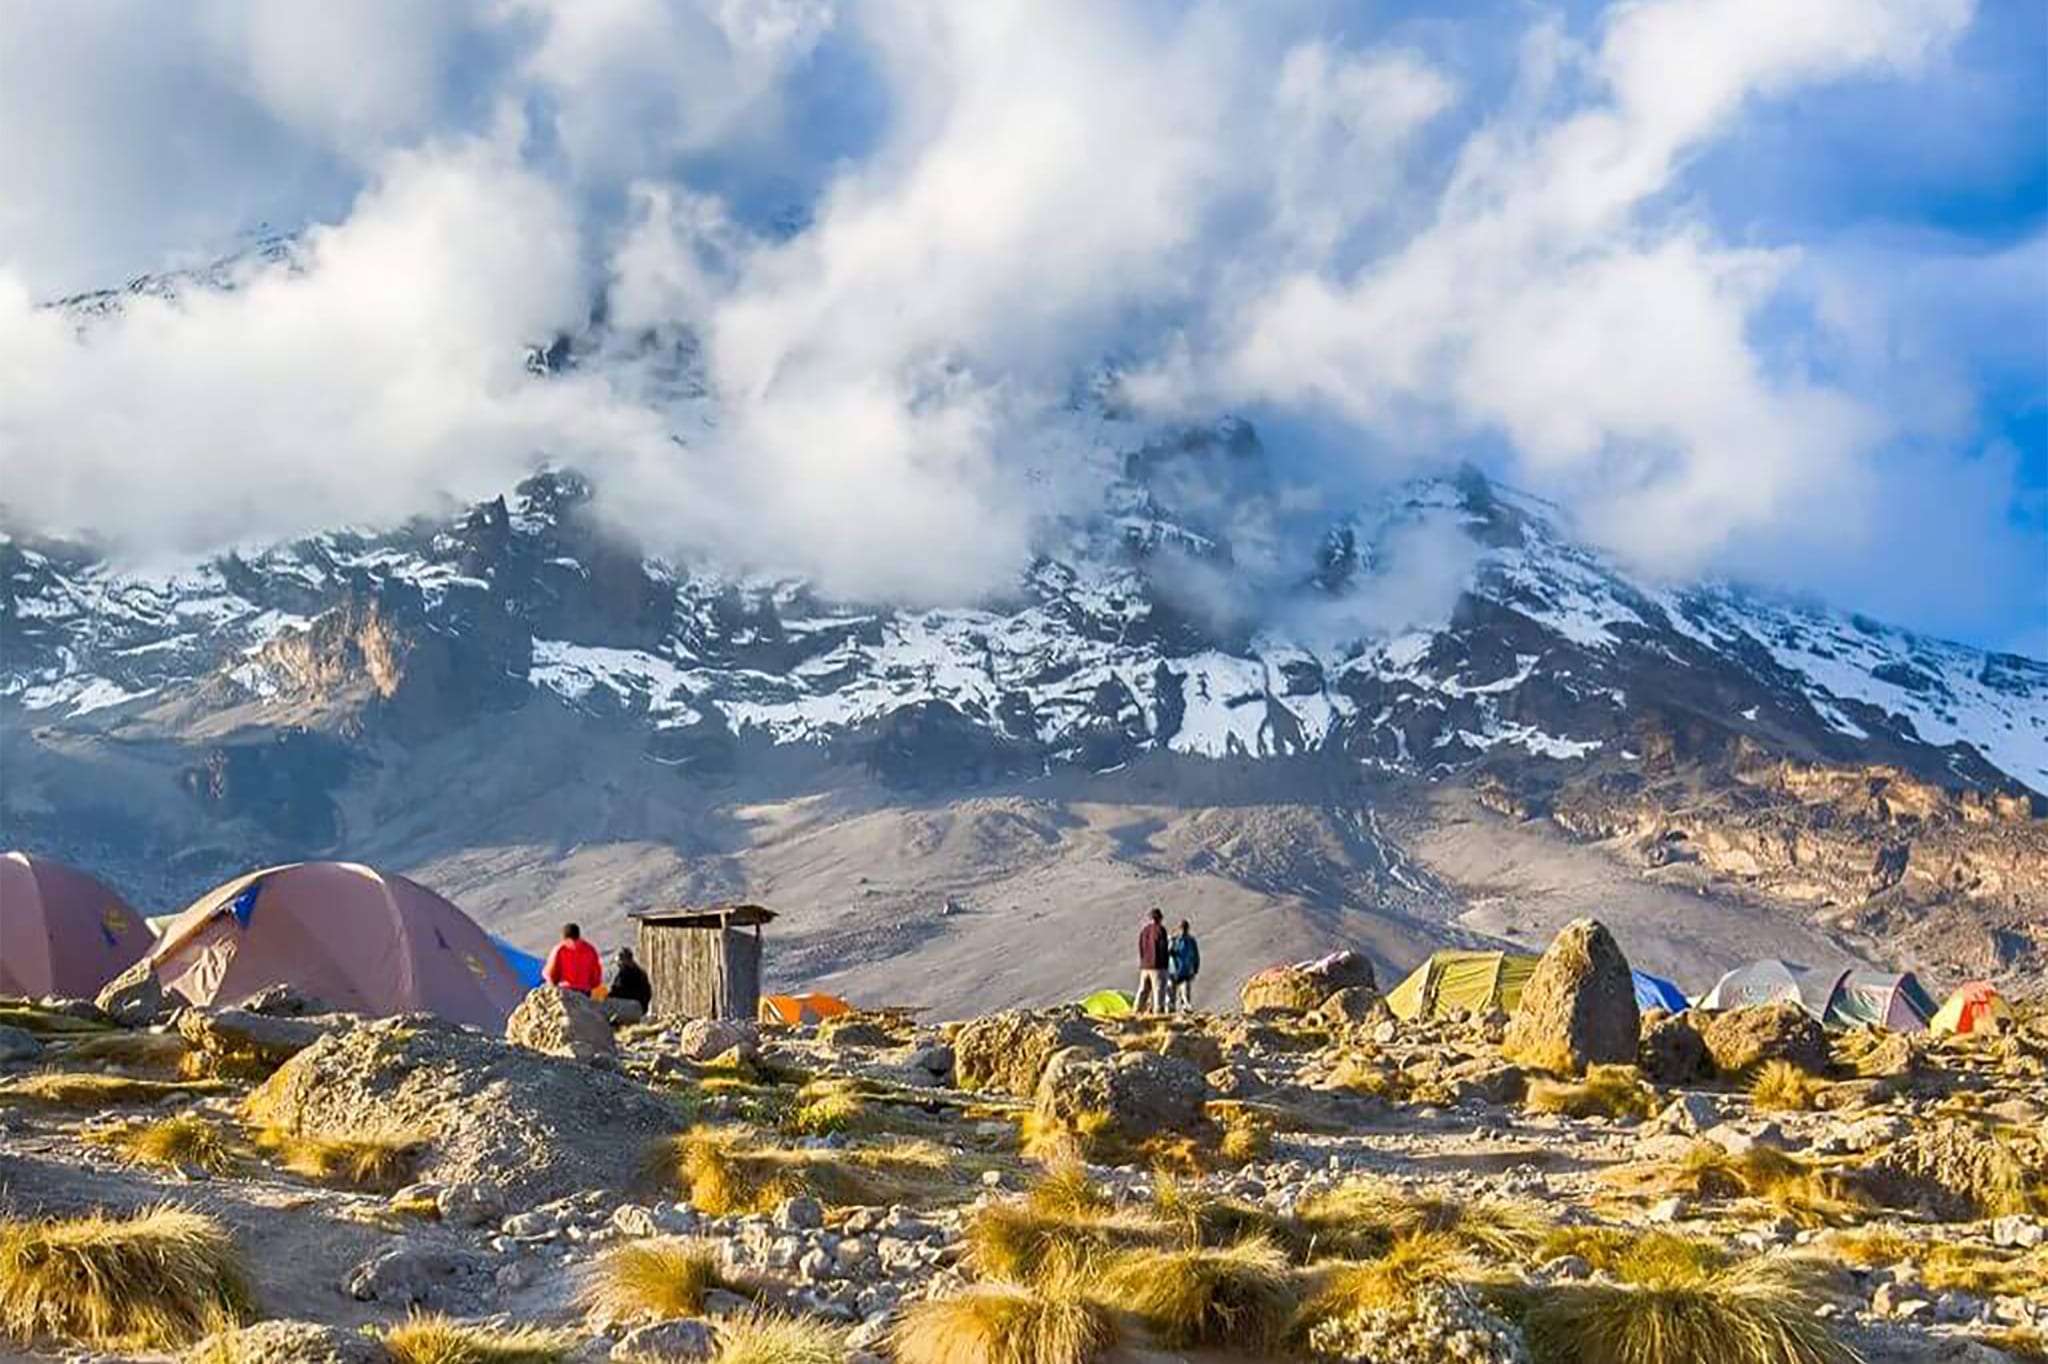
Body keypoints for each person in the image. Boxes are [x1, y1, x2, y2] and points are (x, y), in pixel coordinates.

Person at [542, 922, 602, 995]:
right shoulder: (590, 949)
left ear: (564, 937)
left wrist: (551, 984)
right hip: (584, 992)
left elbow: (550, 973)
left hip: (565, 992)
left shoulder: (560, 949)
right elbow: (596, 975)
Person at [1135, 907, 1169, 1014]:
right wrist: (1165, 965)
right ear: (1159, 918)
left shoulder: (1144, 931)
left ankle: (1137, 1011)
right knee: (1158, 991)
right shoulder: (1160, 930)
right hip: (1157, 966)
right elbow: (1163, 948)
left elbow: (1140, 947)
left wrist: (1143, 961)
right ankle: (1158, 1013)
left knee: (1143, 991)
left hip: (1145, 965)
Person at [1167, 919, 1200, 1013]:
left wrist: (1195, 969)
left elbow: (1195, 956)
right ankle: (1171, 1011)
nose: (1183, 930)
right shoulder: (1174, 940)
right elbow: (1168, 953)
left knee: (1185, 996)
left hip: (1186, 972)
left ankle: (1185, 1010)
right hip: (1173, 971)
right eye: (1182, 928)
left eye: (1185, 928)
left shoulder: (1191, 941)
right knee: (1171, 996)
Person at [610, 947, 652, 1012]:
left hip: (631, 1007)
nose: (619, 964)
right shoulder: (626, 973)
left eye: (621, 962)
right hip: (636, 1008)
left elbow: (619, 992)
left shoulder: (631, 974)